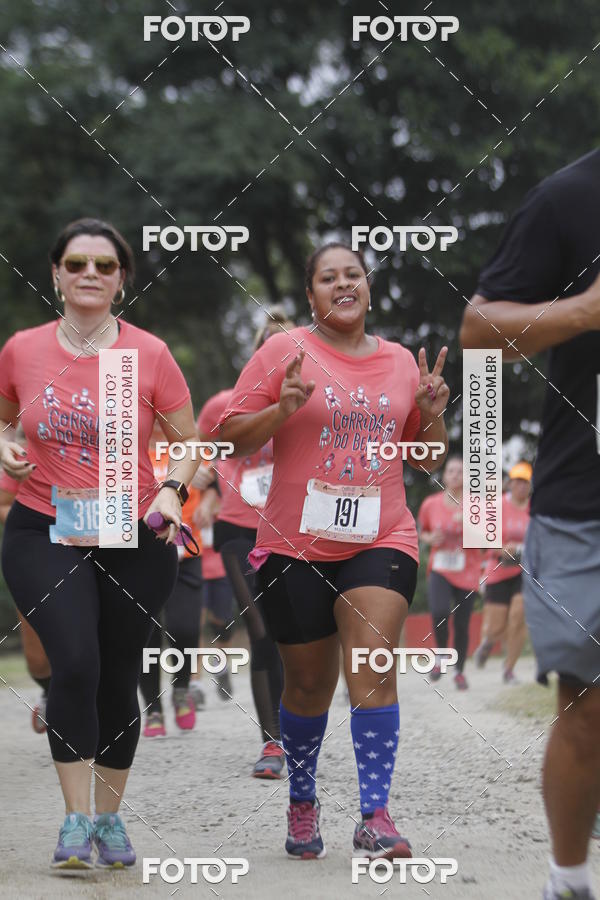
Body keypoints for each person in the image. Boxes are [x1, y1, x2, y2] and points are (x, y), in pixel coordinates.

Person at [220, 242, 450, 861]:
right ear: (311, 294)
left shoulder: (402, 362)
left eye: (354, 275)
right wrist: (280, 408)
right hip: (295, 545)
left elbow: (427, 458)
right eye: (329, 278)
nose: (343, 284)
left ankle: (374, 813)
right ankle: (302, 801)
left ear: (368, 289)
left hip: (382, 536)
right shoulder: (282, 351)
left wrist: (433, 416)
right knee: (309, 686)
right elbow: (227, 438)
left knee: (374, 665)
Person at [0, 218, 200, 869]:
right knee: (76, 662)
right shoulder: (22, 350)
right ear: (55, 273)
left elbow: (190, 443)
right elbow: (3, 420)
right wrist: (5, 445)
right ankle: (73, 820)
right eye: (77, 262)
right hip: (43, 527)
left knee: (119, 673)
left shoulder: (149, 354)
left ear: (121, 280)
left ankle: (109, 822)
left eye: (105, 265)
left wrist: (173, 489)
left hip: (133, 532)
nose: (90, 273)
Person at [460, 148, 600, 900]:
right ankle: (570, 879)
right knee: (588, 706)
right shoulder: (570, 198)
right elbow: (478, 328)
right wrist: (583, 310)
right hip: (587, 502)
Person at [197, 309, 294, 780]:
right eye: (269, 342)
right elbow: (199, 457)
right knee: (262, 631)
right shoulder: (222, 405)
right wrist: (187, 495)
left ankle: (298, 729)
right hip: (238, 529)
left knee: (295, 637)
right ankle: (272, 742)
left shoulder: (312, 403)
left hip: (294, 530)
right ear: (258, 351)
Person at [139, 424, 213, 737]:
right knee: (146, 635)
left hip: (185, 557)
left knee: (185, 628)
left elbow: (215, 481)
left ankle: (181, 689)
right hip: (141, 557)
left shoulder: (187, 448)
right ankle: (153, 708)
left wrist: (208, 494)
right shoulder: (130, 450)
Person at [417, 456, 481, 689]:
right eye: (451, 471)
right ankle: (442, 654)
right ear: (444, 476)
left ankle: (460, 671)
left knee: (463, 624)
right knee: (439, 611)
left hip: (468, 569)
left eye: (460, 472)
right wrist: (429, 538)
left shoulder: (476, 504)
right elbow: (422, 531)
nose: (455, 475)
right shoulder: (430, 504)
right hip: (440, 567)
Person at [0, 465, 51, 732]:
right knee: (38, 661)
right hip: (38, 557)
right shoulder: (26, 456)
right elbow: (4, 506)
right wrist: (45, 520)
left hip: (93, 555)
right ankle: (48, 689)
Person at [474, 461, 532, 683]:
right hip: (498, 568)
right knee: (496, 627)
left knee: (519, 616)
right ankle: (488, 642)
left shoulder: (534, 509)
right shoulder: (497, 506)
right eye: (517, 481)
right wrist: (501, 549)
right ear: (510, 484)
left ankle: (509, 670)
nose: (521, 486)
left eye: (525, 482)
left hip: (524, 571)